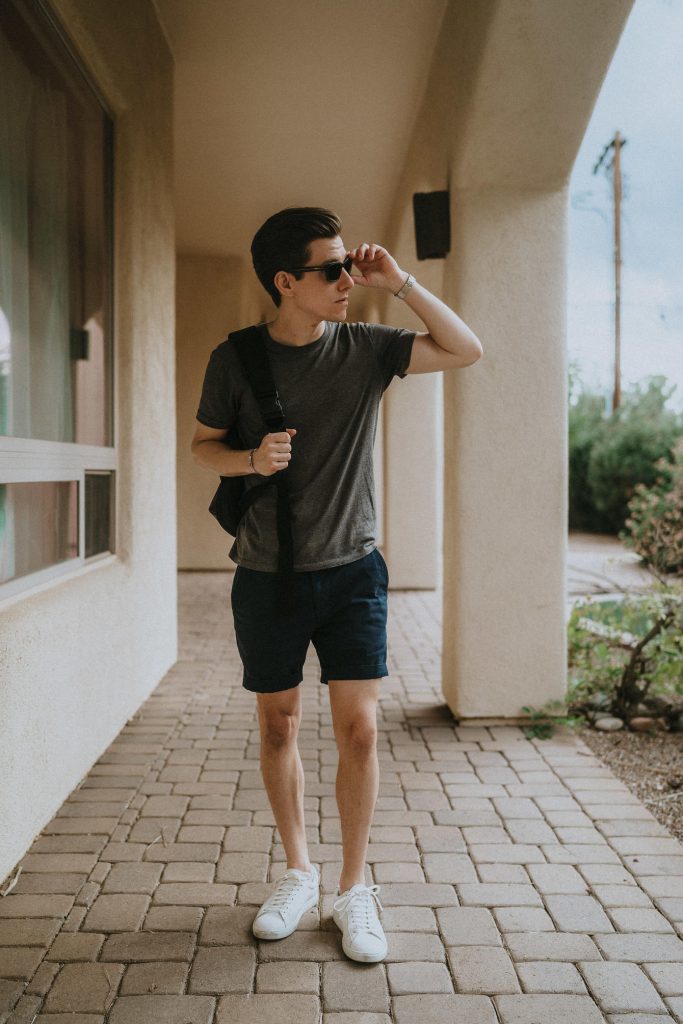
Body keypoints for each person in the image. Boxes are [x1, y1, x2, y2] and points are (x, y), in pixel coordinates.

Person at [191, 207, 482, 963]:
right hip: (267, 573)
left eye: (347, 265)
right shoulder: (236, 358)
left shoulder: (366, 348)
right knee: (278, 726)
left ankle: (354, 889)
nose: (346, 280)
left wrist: (402, 281)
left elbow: (464, 348)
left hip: (353, 569)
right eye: (331, 269)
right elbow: (203, 447)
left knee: (359, 730)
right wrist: (251, 460)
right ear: (285, 282)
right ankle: (298, 873)